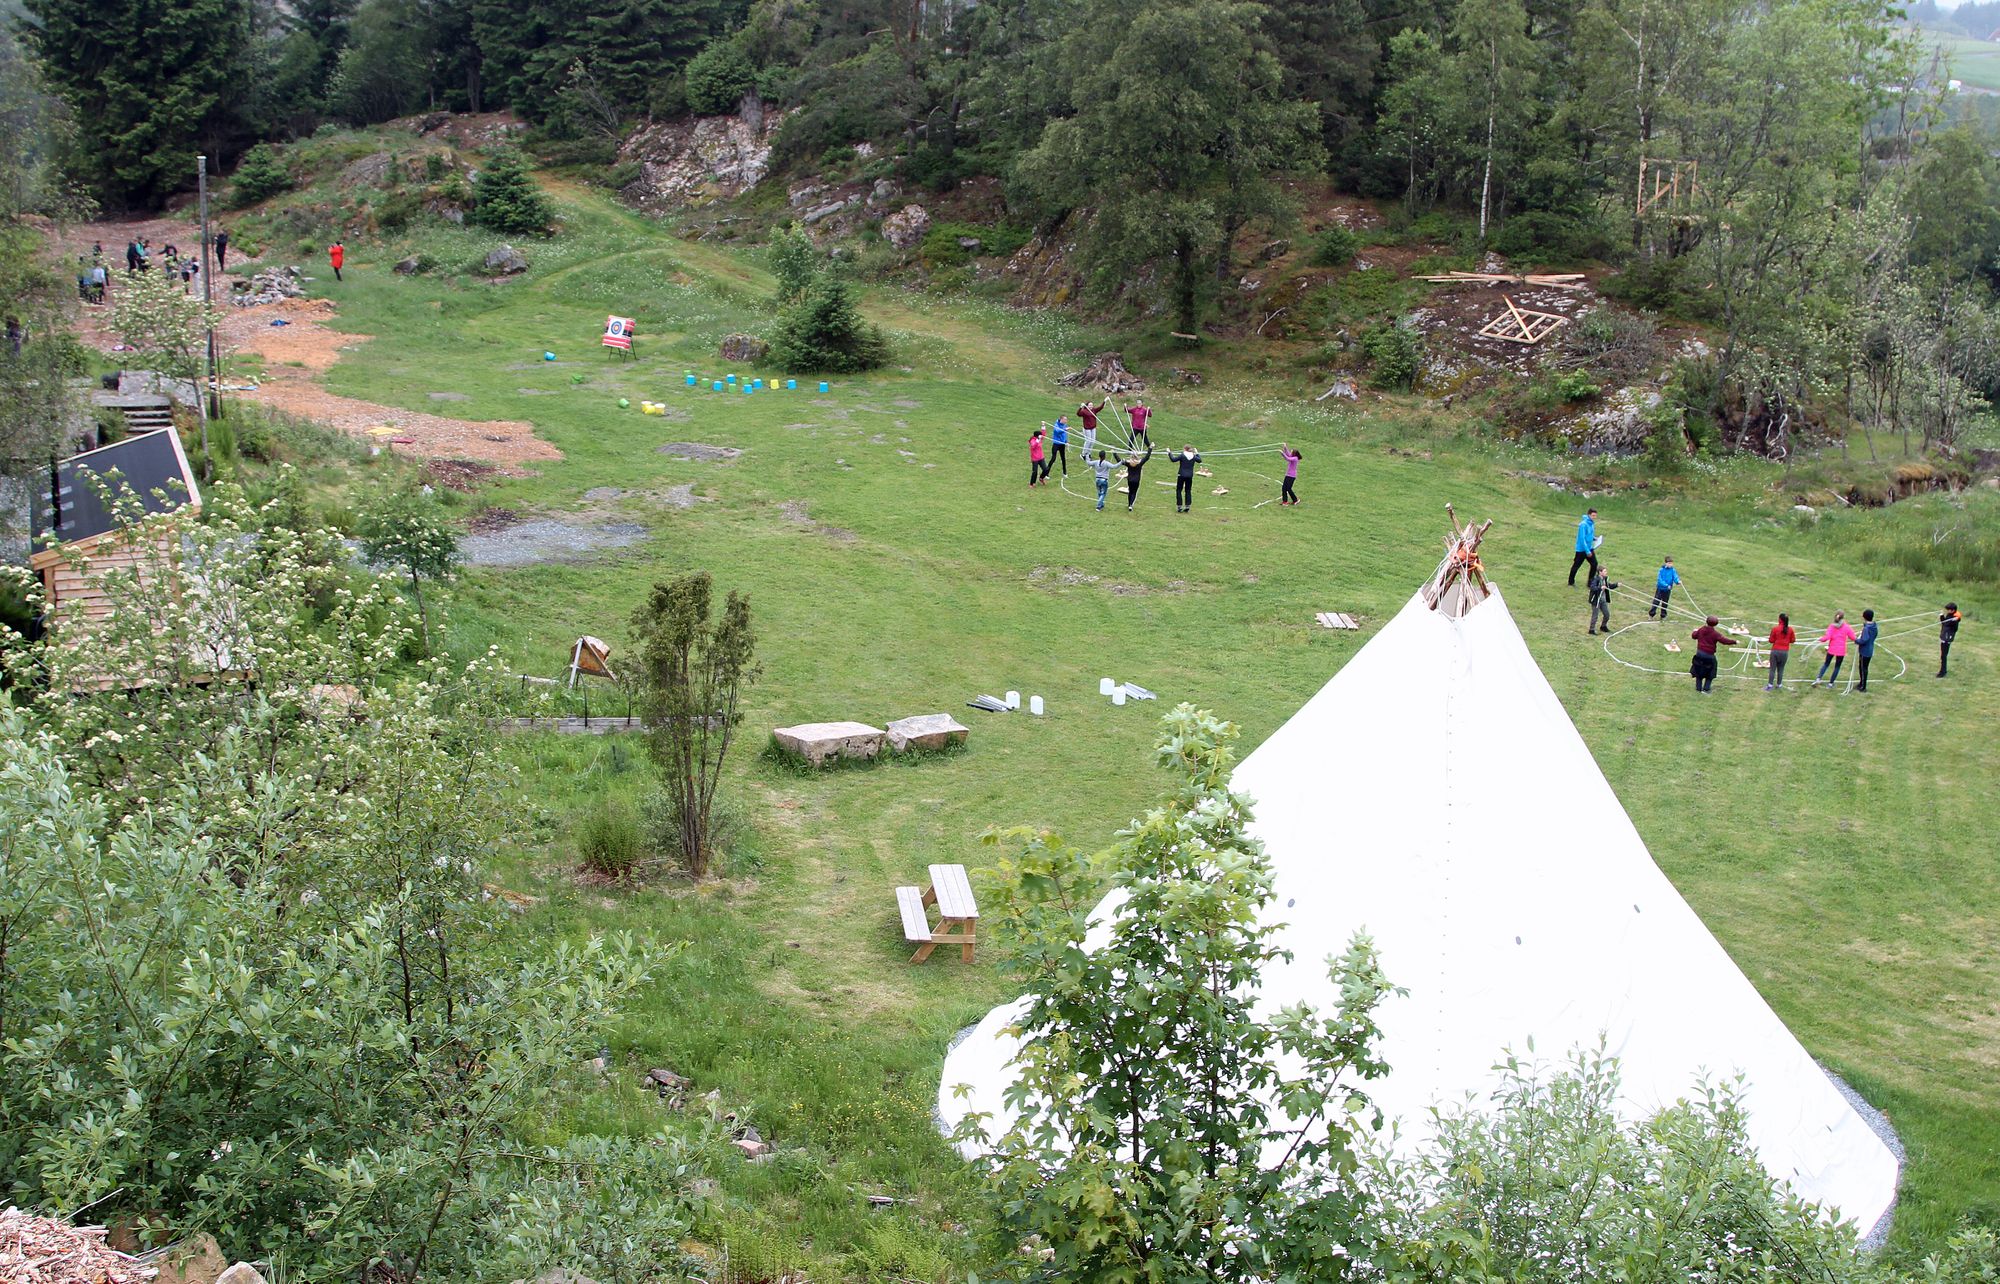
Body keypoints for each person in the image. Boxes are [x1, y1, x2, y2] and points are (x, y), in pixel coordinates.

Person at [1690, 615, 1736, 693]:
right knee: (1710, 672)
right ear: (1716, 624)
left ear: (1706, 621)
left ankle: (1698, 688)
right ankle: (1706, 689)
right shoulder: (1715, 634)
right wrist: (1734, 641)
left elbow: (1694, 636)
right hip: (1709, 655)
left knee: (1699, 670)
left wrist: (1695, 631)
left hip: (1699, 653)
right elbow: (1724, 641)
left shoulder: (1701, 629)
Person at [1813, 611, 1857, 687]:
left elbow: (1827, 637)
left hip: (1831, 649)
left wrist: (1821, 639)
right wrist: (1859, 639)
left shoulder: (1832, 626)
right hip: (1841, 651)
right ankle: (1831, 683)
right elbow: (1853, 637)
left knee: (1826, 664)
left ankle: (1818, 678)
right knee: (1837, 666)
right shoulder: (1846, 627)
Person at [1765, 613, 1796, 691]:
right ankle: (1779, 685)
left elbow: (1771, 640)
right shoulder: (1790, 630)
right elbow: (1793, 640)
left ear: (1780, 620)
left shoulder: (1775, 629)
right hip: (1785, 652)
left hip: (1775, 651)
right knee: (1781, 669)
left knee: (1772, 669)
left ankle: (1770, 685)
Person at [1568, 508, 1599, 586]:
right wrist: (1587, 551)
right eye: (1593, 515)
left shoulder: (1591, 523)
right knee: (1576, 566)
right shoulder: (1583, 524)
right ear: (1589, 515)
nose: (1594, 517)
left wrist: (1594, 538)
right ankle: (1571, 582)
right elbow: (1582, 539)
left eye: (1595, 515)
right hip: (1582, 550)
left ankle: (1590, 582)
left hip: (1589, 547)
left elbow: (1589, 534)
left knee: (1594, 564)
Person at [1122, 442, 1154, 511]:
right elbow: (1147, 457)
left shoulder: (1129, 463)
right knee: (1134, 492)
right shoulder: (1140, 463)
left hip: (1130, 480)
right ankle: (1130, 505)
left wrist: (1114, 453)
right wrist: (1150, 448)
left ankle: (1129, 504)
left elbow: (1119, 461)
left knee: (1130, 491)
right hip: (1136, 480)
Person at [1170, 443, 1201, 513]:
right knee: (1188, 490)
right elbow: (1199, 460)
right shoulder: (1193, 456)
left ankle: (1179, 506)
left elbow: (1173, 459)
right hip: (1189, 476)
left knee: (1179, 490)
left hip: (1181, 475)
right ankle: (1187, 506)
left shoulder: (1182, 455)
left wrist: (1169, 452)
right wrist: (1197, 453)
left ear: (1184, 449)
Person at [1587, 567, 1619, 635]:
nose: (1606, 572)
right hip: (1596, 601)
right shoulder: (1596, 579)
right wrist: (1600, 588)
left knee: (1607, 614)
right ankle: (1591, 630)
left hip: (1603, 600)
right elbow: (1592, 587)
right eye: (1604, 571)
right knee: (1595, 616)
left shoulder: (1605, 579)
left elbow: (1609, 586)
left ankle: (1603, 626)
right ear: (1600, 572)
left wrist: (1617, 585)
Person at [1854, 610, 1877, 693]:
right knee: (1863, 667)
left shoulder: (1866, 628)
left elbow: (1864, 639)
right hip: (1869, 650)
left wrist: (1856, 640)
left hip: (1865, 651)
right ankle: (1861, 683)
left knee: (1863, 668)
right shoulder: (1874, 626)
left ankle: (1863, 687)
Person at [1939, 602, 1962, 678]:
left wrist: (1954, 621)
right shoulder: (1949, 615)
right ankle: (1943, 671)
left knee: (1944, 656)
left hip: (1947, 638)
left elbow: (1955, 629)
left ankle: (1943, 672)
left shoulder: (1955, 619)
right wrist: (1942, 616)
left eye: (1948, 610)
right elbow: (1944, 623)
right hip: (1944, 637)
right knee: (1942, 656)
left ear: (1953, 610)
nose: (1947, 611)